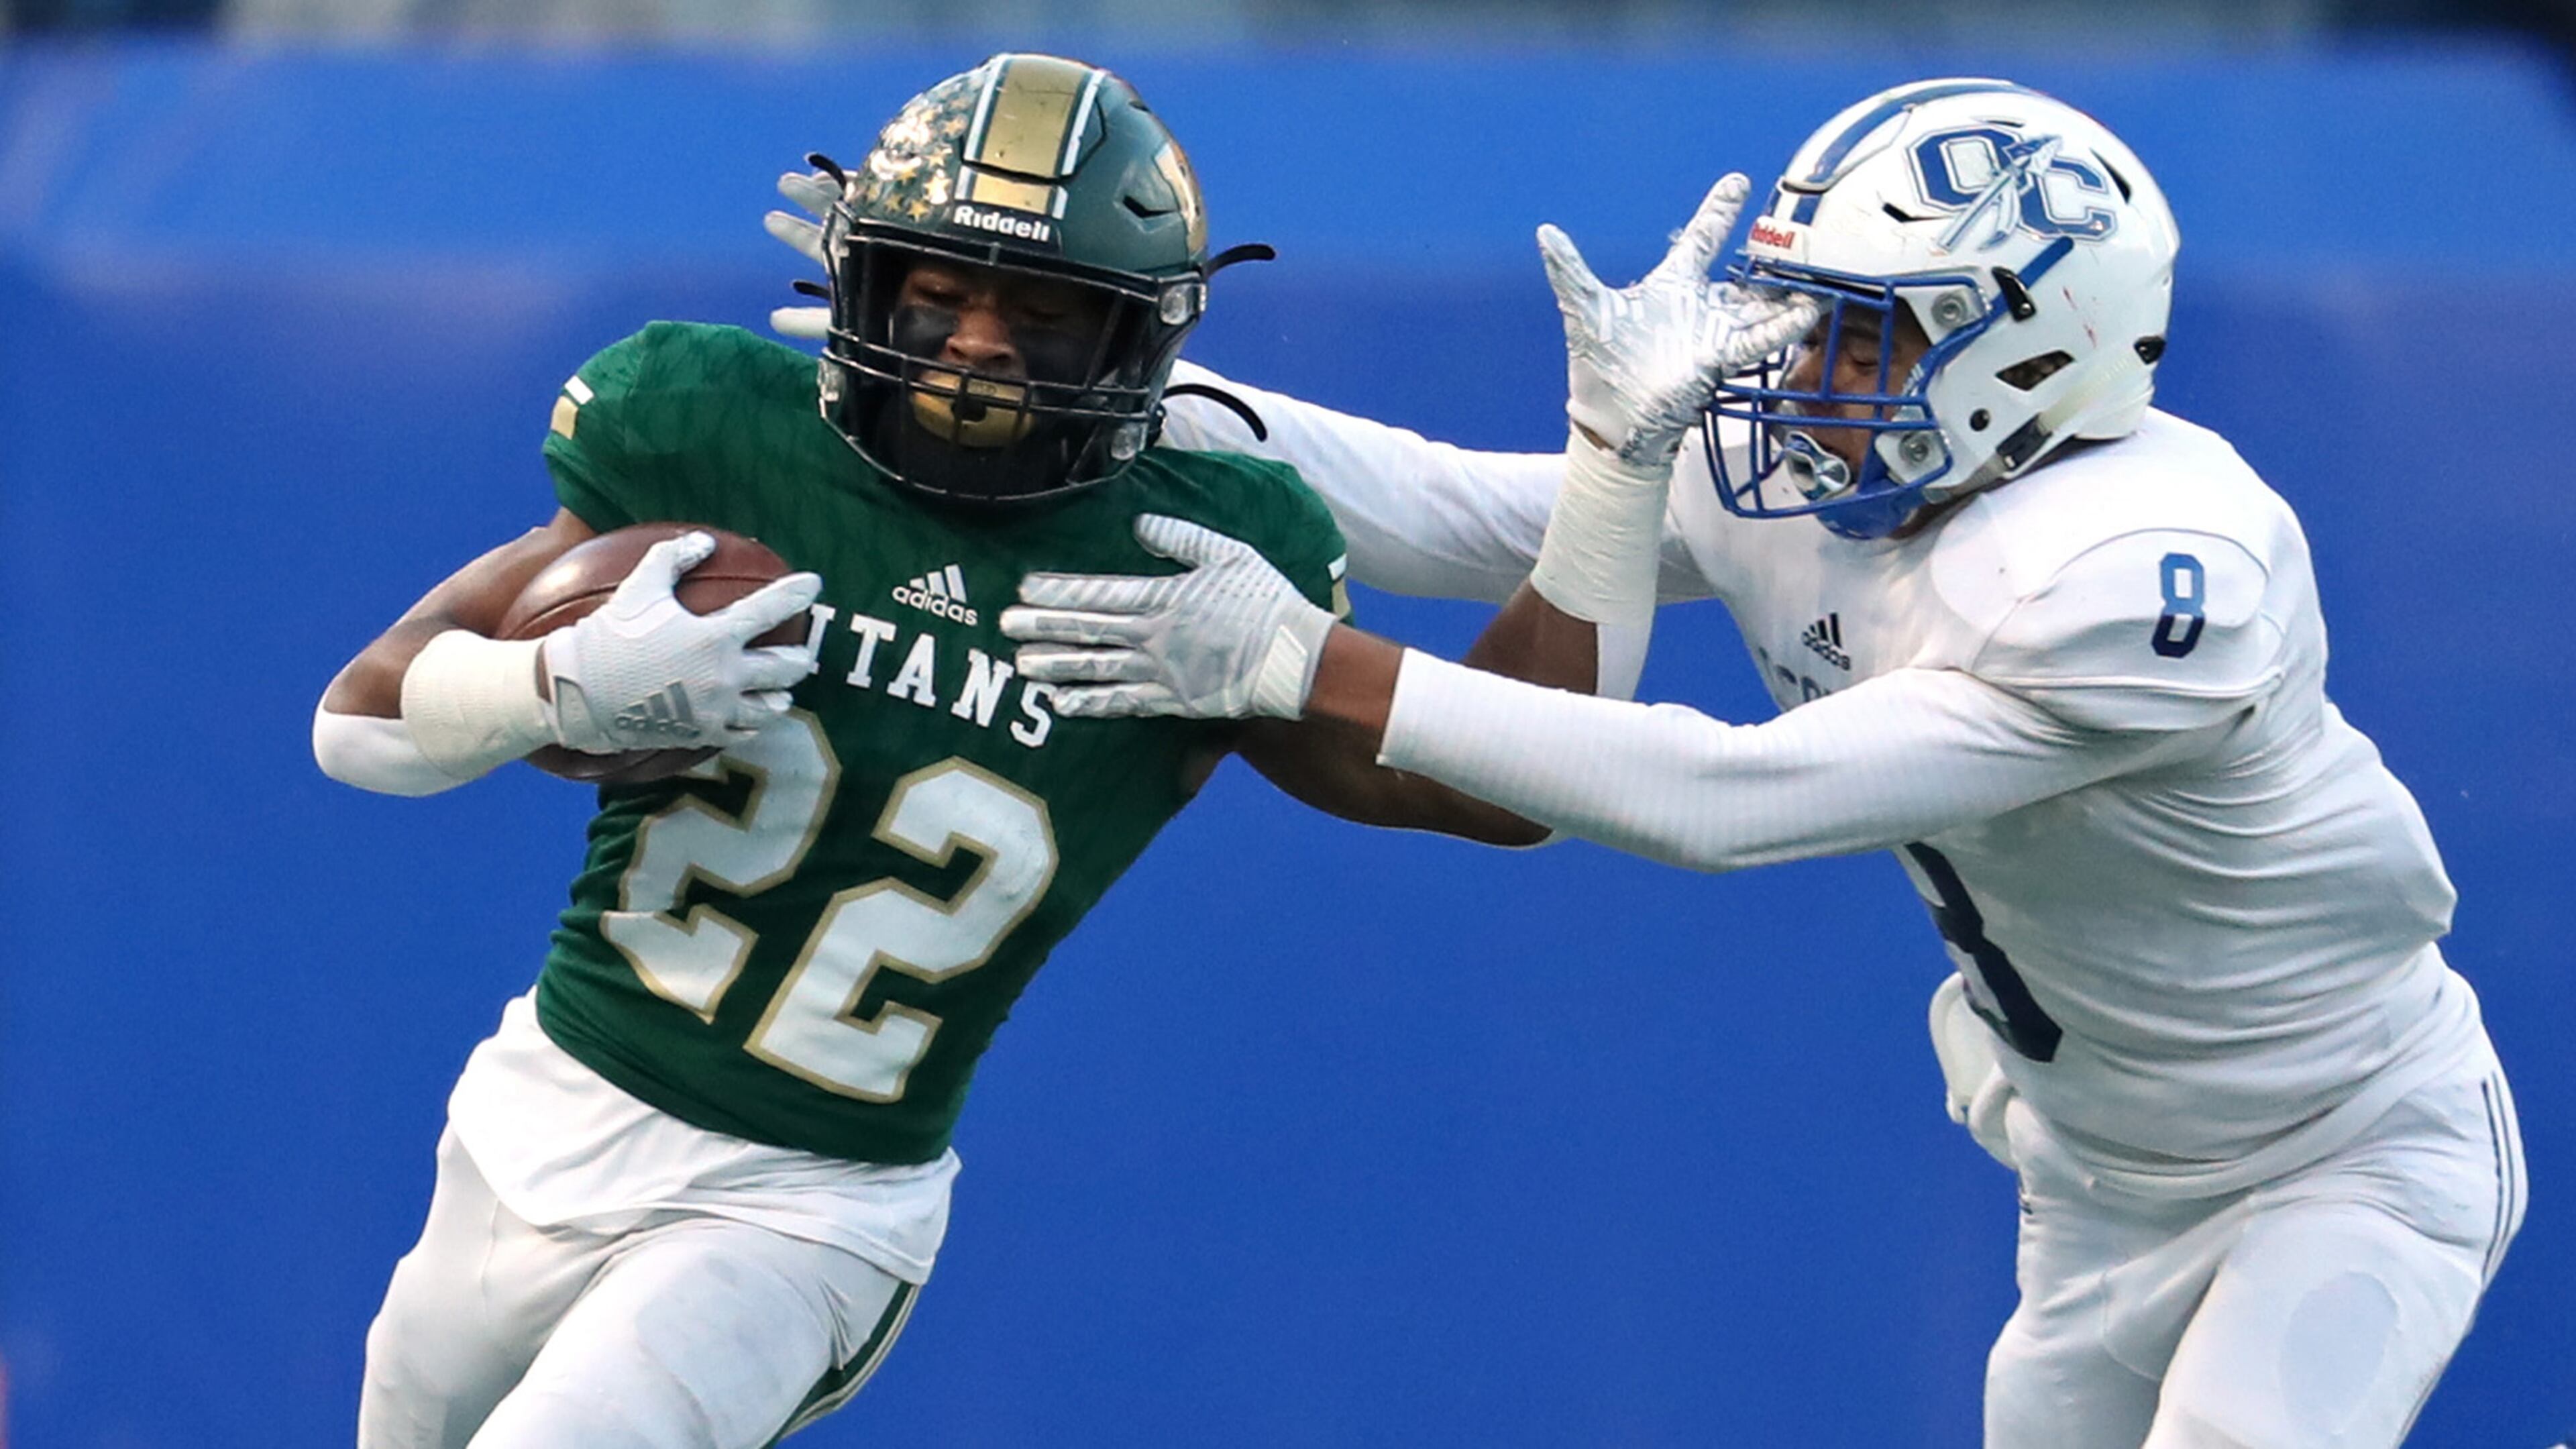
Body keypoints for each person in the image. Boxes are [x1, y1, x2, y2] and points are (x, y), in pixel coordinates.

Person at [971, 79, 2528, 1448]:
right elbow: (1453, 511)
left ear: (2034, 348)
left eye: (1864, 334)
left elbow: (1728, 805)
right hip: (2100, 1176)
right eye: (1811, 317)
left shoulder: (2144, 574)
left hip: (2341, 1146)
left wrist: (1312, 662)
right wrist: (1115, 393)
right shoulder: (1830, 474)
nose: (1806, 375)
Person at [311, 52, 1810, 1449]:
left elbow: (1506, 795)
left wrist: (1616, 471)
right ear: (863, 281)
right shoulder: (713, 429)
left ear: (1138, 336)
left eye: (1043, 314)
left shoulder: (1195, 546)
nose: (978, 348)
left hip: (801, 1206)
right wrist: (561, 682)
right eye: (941, 293)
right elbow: (362, 724)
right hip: (537, 1107)